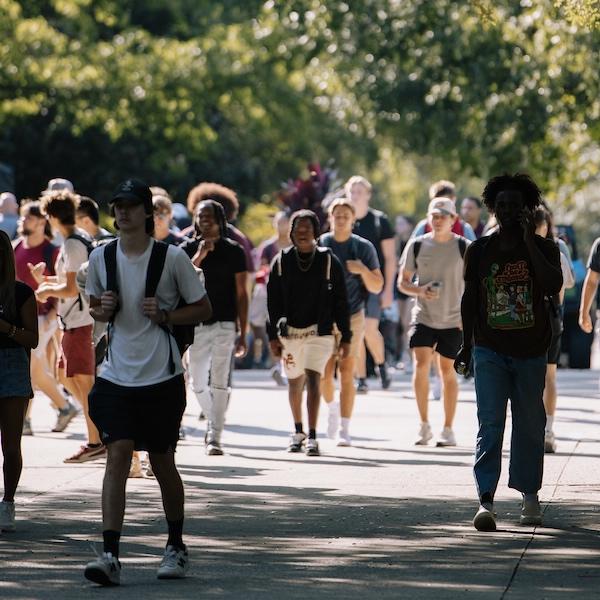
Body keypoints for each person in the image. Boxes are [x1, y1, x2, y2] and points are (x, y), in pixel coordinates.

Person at [83, 179, 211, 585]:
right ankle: (110, 555)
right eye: (117, 206)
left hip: (162, 375)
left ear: (147, 213)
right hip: (117, 374)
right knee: (117, 454)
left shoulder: (171, 259)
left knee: (161, 461)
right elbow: (93, 306)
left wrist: (168, 316)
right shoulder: (100, 258)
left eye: (131, 206)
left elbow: (203, 307)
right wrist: (101, 307)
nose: (122, 213)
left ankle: (175, 545)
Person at [455, 173, 562, 532]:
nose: (507, 211)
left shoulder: (545, 248)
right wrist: (465, 345)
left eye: (514, 206)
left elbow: (552, 284)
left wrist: (530, 240)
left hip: (531, 349)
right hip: (489, 348)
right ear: (492, 208)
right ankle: (485, 499)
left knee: (531, 423)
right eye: (501, 205)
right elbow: (470, 300)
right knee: (490, 423)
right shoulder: (480, 249)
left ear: (527, 209)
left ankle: (529, 496)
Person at [267, 209, 351, 457]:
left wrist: (346, 336)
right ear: (291, 233)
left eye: (308, 228)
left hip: (320, 332)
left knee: (314, 379)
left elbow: (341, 301)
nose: (303, 232)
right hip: (290, 334)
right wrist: (272, 336)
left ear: (316, 232)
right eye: (298, 228)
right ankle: (298, 432)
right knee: (294, 382)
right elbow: (271, 303)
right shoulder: (281, 261)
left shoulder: (328, 261)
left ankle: (313, 436)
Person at [34, 190, 104, 463]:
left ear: (51, 216)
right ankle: (97, 430)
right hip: (74, 320)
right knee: (64, 375)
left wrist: (45, 291)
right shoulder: (75, 241)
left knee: (84, 384)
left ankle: (95, 440)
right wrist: (47, 282)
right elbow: (70, 283)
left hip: (81, 321)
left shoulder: (74, 244)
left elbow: (72, 288)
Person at [398, 198, 469, 447]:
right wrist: (420, 290)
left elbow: (477, 286)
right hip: (424, 316)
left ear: (453, 219)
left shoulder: (464, 247)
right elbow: (402, 282)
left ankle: (448, 429)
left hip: (453, 319)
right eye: (433, 215)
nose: (437, 220)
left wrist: (467, 317)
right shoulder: (417, 245)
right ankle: (424, 425)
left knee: (447, 371)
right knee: (420, 365)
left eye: (443, 215)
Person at [180, 200, 248, 456]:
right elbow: (180, 282)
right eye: (200, 217)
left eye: (210, 217)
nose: (205, 221)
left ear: (221, 220)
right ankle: (214, 419)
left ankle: (214, 435)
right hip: (195, 324)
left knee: (219, 380)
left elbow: (242, 294)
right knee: (197, 381)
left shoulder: (234, 251)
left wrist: (244, 330)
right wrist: (200, 256)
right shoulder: (185, 249)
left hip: (224, 323)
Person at [319, 199, 383, 446]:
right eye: (337, 214)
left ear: (353, 219)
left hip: (354, 316)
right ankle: (332, 408)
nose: (341, 218)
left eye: (346, 215)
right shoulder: (321, 244)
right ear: (330, 217)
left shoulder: (363, 247)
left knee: (347, 371)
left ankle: (345, 428)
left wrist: (363, 271)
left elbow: (377, 285)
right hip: (324, 317)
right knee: (324, 373)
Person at [13, 200, 78, 434]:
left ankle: (28, 418)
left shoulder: (52, 251)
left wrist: (53, 314)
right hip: (19, 319)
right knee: (32, 367)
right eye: (22, 217)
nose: (23, 221)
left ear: (42, 222)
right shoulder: (15, 248)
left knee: (29, 366)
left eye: (28, 217)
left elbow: (63, 284)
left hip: (44, 318)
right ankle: (62, 406)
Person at [0, 230, 39, 532]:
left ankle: (8, 502)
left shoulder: (21, 292)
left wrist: (7, 328)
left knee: (11, 447)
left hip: (12, 366)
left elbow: (33, 339)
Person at [346, 176, 394, 392]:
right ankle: (362, 379)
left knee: (369, 329)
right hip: (349, 286)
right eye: (352, 191)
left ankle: (381, 365)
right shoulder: (343, 220)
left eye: (359, 191)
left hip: (374, 283)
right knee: (355, 331)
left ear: (368, 194)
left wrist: (388, 290)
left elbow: (391, 258)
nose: (355, 195)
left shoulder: (379, 221)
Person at [533, 207, 574, 454]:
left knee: (534, 377)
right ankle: (547, 429)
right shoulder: (556, 249)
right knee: (548, 375)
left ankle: (541, 429)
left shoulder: (519, 247)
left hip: (531, 319)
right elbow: (566, 283)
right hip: (550, 317)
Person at [185, 182, 255, 274]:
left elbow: (248, 273)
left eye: (211, 215)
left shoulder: (237, 240)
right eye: (202, 215)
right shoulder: (186, 238)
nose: (206, 220)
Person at [411, 180, 477, 241]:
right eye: (437, 203)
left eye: (446, 202)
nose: (441, 208)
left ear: (454, 200)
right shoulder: (423, 227)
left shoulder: (464, 229)